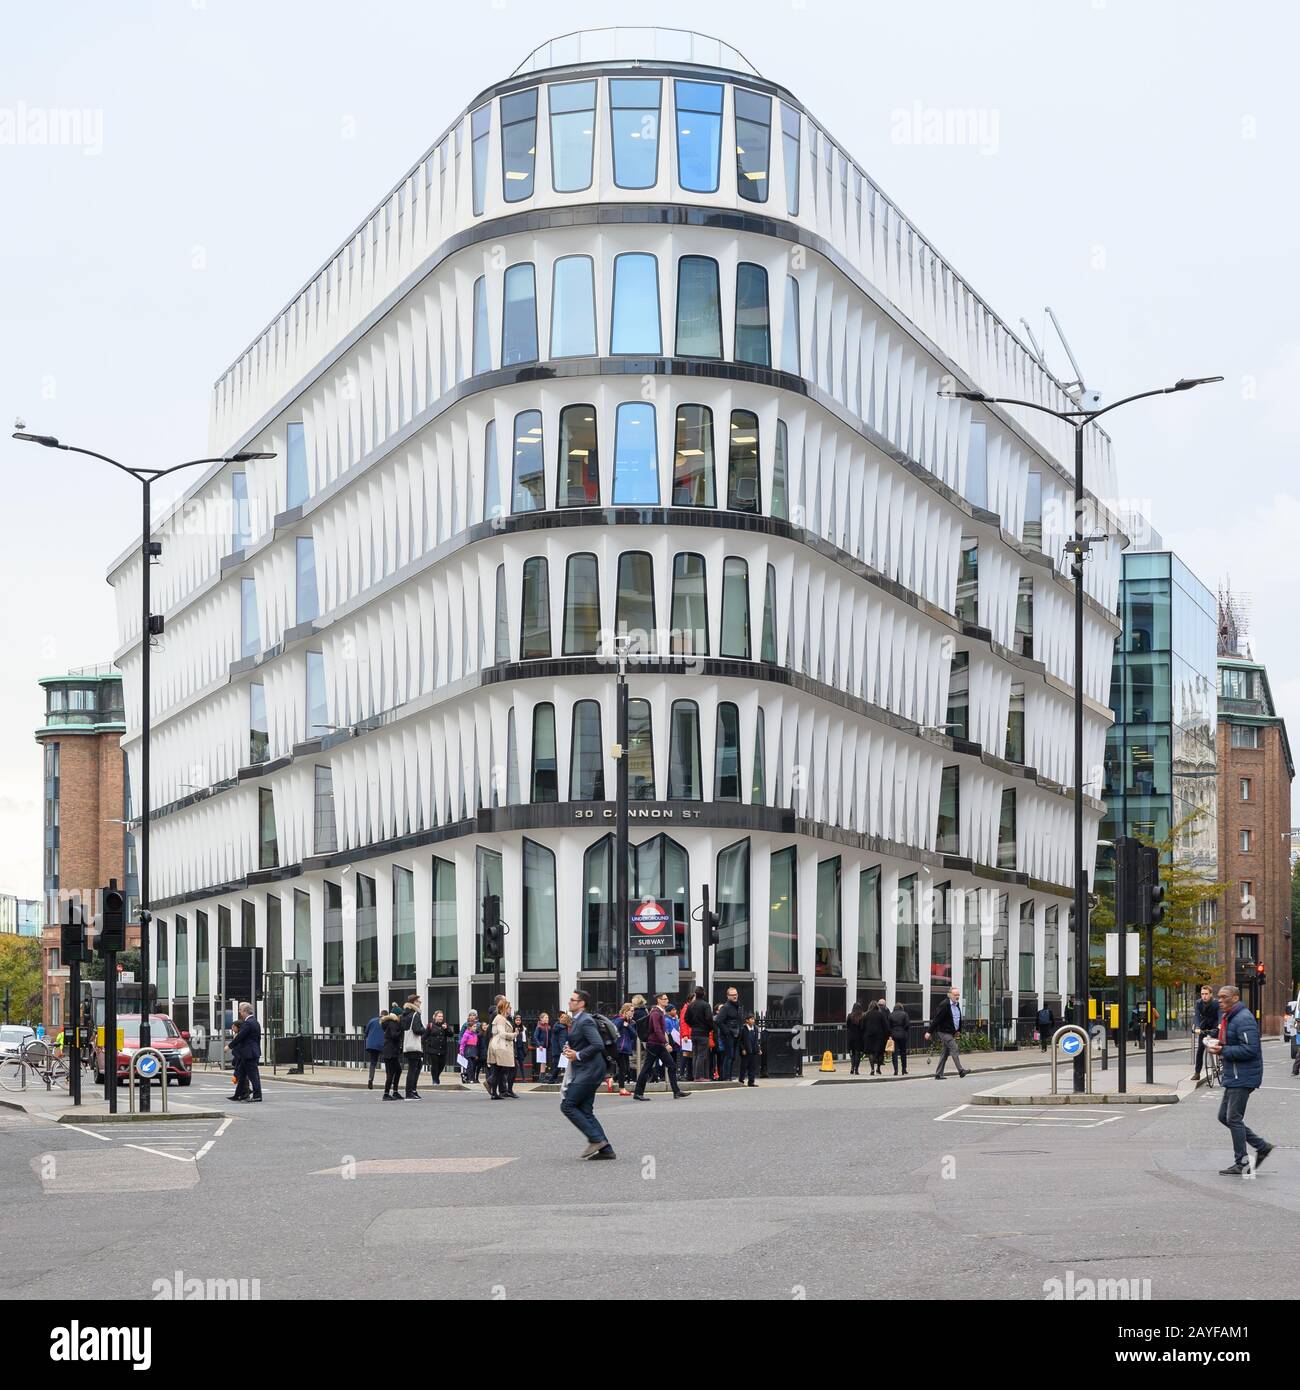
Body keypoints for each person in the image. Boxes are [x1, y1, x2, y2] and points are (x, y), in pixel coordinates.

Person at [1207, 983, 1273, 1176]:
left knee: (1233, 1118)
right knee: (1224, 1116)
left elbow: (1251, 1049)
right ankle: (1261, 1146)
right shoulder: (1231, 1017)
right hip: (1234, 1074)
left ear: (1235, 998)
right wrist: (1218, 1044)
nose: (1220, 1000)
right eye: (1218, 997)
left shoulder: (1244, 1019)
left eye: (1223, 997)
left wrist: (1223, 1050)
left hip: (1243, 1076)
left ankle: (1242, 1161)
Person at [559, 988, 616, 1160]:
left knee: (568, 1105)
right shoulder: (576, 1021)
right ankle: (607, 1150)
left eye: (572, 1000)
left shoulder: (585, 1021)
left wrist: (578, 1055)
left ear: (581, 1003)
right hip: (586, 1070)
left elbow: (598, 1044)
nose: (569, 1002)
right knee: (585, 1110)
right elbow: (583, 1043)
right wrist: (571, 1050)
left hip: (590, 1071)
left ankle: (597, 1139)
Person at [632, 993, 691, 1101]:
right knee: (646, 1068)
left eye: (667, 998)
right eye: (664, 999)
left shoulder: (660, 1012)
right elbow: (657, 1030)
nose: (667, 1000)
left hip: (658, 1044)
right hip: (654, 1044)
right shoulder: (656, 1013)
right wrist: (666, 1043)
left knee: (671, 1066)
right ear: (659, 1000)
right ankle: (638, 1093)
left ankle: (676, 1091)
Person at [926, 987, 970, 1080]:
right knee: (954, 1048)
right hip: (943, 1031)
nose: (957, 996)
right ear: (950, 995)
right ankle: (961, 1071)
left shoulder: (956, 1005)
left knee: (945, 1053)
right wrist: (929, 1031)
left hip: (951, 1032)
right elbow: (937, 1019)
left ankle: (938, 1074)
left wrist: (958, 1030)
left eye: (958, 995)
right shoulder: (945, 1005)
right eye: (955, 995)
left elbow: (957, 1018)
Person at [229, 1002, 263, 1102]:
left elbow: (240, 1036)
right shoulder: (255, 1022)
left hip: (249, 1054)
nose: (240, 1013)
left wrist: (230, 1046)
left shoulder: (248, 1023)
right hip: (249, 1053)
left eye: (241, 1010)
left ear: (245, 1011)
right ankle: (238, 1095)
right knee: (241, 1075)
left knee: (253, 1076)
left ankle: (257, 1096)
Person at [487, 997, 516, 1099]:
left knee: (498, 1071)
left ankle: (495, 1092)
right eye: (509, 1007)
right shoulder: (500, 1018)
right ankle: (495, 1093)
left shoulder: (502, 1018)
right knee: (498, 1070)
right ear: (503, 1008)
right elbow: (502, 1033)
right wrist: (513, 1035)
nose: (510, 1009)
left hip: (499, 1045)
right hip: (499, 1046)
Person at [684, 988, 713, 1082]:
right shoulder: (706, 1005)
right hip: (703, 1033)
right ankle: (699, 1077)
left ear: (695, 994)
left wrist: (692, 1025)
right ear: (704, 994)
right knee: (702, 1055)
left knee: (695, 1055)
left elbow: (686, 1018)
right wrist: (710, 1028)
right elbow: (709, 1018)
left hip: (694, 1033)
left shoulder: (691, 1005)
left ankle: (695, 1076)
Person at [715, 986, 743, 1081]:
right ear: (728, 996)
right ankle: (726, 1076)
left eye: (736, 994)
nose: (735, 996)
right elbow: (718, 1020)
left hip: (736, 1034)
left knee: (733, 1057)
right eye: (732, 995)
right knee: (729, 1056)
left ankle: (729, 1076)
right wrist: (726, 1032)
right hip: (729, 1035)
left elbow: (739, 1020)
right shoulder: (725, 1007)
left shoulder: (738, 1006)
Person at [1192, 985, 1219, 1081]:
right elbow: (1197, 1016)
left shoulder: (1216, 1003)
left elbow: (1220, 1015)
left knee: (1218, 1046)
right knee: (1200, 1049)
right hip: (1204, 1026)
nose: (1204, 996)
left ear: (1211, 994)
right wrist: (1198, 1027)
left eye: (1206, 994)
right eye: (1202, 994)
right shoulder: (1198, 1003)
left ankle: (1222, 1065)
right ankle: (1197, 1073)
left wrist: (1219, 1025)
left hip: (1215, 1026)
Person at [400, 994, 425, 1098]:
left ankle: (412, 1091)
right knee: (413, 1068)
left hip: (408, 1044)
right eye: (419, 1001)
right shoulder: (415, 1014)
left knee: (416, 1066)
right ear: (414, 1002)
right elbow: (416, 1029)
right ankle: (410, 1092)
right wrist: (424, 1029)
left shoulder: (405, 1014)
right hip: (414, 1045)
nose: (420, 1003)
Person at [422, 1009, 452, 1085]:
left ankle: (436, 1077)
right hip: (432, 1049)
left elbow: (451, 1034)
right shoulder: (430, 1025)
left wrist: (446, 1029)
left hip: (442, 1049)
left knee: (442, 1064)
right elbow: (425, 1036)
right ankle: (435, 1080)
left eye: (442, 1016)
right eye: (439, 1016)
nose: (441, 1018)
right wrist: (422, 1045)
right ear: (435, 1017)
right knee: (435, 1065)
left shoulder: (445, 1025)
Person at [381, 1009, 405, 1099]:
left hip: (391, 1051)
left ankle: (395, 1091)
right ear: (397, 1015)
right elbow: (394, 1035)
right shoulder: (392, 1023)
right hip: (390, 1052)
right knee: (390, 1073)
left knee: (398, 1070)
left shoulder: (390, 1023)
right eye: (400, 1016)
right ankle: (386, 1094)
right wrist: (401, 1031)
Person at [863, 1000, 890, 1076]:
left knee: (871, 1053)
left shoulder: (866, 1015)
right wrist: (888, 1035)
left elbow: (862, 1026)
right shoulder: (880, 1014)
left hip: (869, 1036)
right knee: (880, 1052)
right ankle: (878, 1068)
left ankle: (872, 1069)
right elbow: (885, 1026)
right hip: (879, 1036)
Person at [615, 1003, 637, 1095]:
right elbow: (614, 1030)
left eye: (633, 1011)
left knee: (626, 1069)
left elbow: (634, 1035)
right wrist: (623, 1021)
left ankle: (611, 1079)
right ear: (625, 1011)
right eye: (631, 1011)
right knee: (622, 1068)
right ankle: (622, 1088)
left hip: (626, 1048)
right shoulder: (619, 1020)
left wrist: (628, 1026)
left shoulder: (630, 1022)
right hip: (619, 1048)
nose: (633, 1013)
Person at [737, 1013, 760, 1087]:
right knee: (743, 1067)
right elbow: (740, 1040)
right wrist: (743, 1049)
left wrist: (758, 1049)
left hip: (753, 1050)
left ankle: (751, 1082)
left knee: (752, 1067)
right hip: (746, 1051)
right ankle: (741, 1081)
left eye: (753, 1019)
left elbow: (756, 1040)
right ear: (747, 1020)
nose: (753, 1020)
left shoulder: (755, 1028)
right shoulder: (743, 1028)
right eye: (751, 1019)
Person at [364, 1012, 386, 1088]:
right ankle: (391, 1080)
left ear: (380, 1014)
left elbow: (366, 1032)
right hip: (382, 1044)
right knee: (388, 1062)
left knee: (373, 1063)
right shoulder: (386, 1021)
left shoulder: (372, 1020)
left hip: (372, 1045)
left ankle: (370, 1079)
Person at [458, 1012, 480, 1086]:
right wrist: (461, 1051)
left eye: (475, 1026)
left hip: (473, 1051)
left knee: (473, 1065)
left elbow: (476, 1044)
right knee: (469, 1065)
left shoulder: (475, 1034)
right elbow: (462, 1043)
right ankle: (470, 1079)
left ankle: (466, 1076)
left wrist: (476, 1053)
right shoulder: (466, 1034)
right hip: (468, 1051)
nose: (475, 1028)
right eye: (474, 1027)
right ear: (469, 1027)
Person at [888, 1001, 910, 1076]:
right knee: (903, 1052)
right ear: (901, 1007)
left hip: (894, 1035)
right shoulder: (905, 1014)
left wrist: (891, 1033)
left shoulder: (891, 1015)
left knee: (894, 1053)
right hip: (903, 1035)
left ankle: (895, 1070)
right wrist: (904, 1030)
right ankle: (904, 1069)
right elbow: (907, 1024)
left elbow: (888, 1026)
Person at [548, 1012, 571, 1085]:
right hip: (560, 1050)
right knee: (558, 1065)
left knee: (556, 1065)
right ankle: (552, 1080)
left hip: (555, 1049)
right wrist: (564, 1050)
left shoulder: (556, 1026)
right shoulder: (563, 1029)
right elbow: (562, 1040)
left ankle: (552, 1080)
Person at [846, 1002, 866, 1075]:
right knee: (858, 1053)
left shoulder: (849, 1016)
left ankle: (852, 1067)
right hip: (859, 1037)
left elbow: (847, 1026)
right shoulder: (862, 1016)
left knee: (852, 1053)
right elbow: (863, 1028)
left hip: (851, 1037)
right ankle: (856, 1069)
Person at [532, 1013, 551, 1083]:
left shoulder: (548, 1027)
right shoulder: (539, 1027)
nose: (547, 1019)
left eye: (548, 1018)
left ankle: (543, 1076)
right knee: (543, 1062)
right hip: (541, 1047)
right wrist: (539, 1045)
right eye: (546, 1018)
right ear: (541, 1019)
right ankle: (541, 1077)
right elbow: (535, 1037)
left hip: (546, 1047)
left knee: (544, 1062)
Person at [512, 1013, 528, 1090]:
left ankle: (523, 1078)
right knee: (514, 1065)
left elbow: (525, 1040)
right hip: (514, 1048)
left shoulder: (523, 1029)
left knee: (521, 1063)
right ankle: (512, 1078)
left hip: (521, 1048)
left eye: (519, 1020)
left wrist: (525, 1049)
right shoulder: (512, 1028)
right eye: (516, 1020)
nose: (518, 1021)